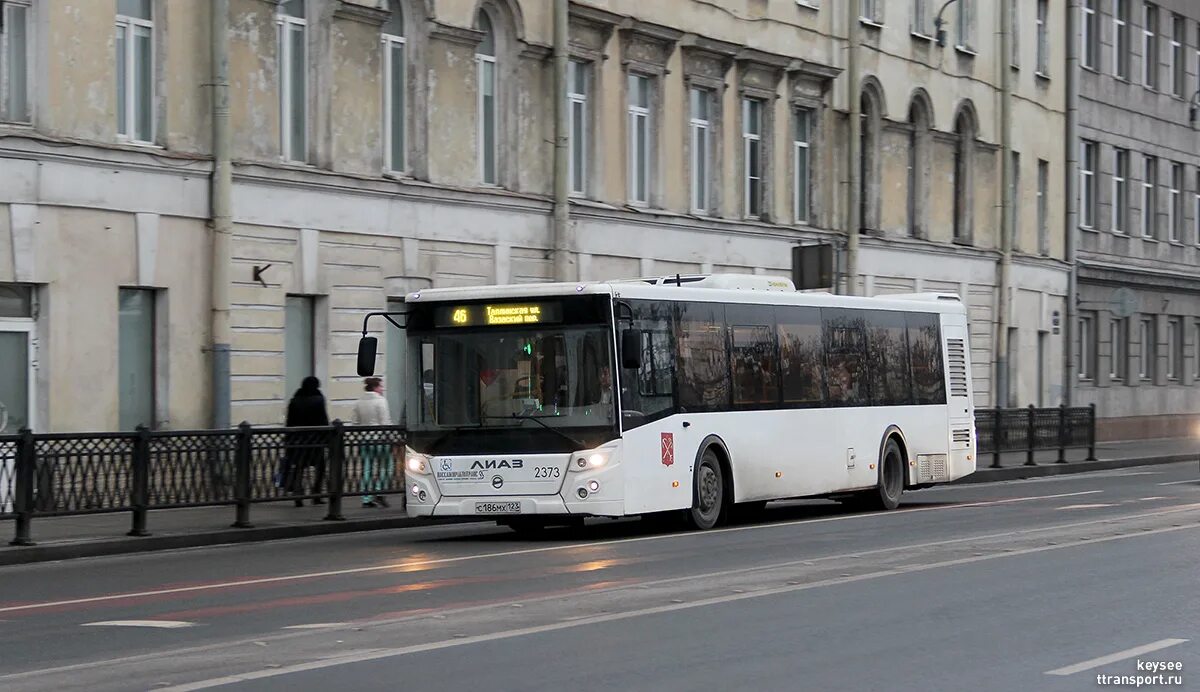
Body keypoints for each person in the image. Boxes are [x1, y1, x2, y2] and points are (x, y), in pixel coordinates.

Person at [284, 376, 330, 507]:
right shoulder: (318, 399)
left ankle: (298, 495)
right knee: (320, 468)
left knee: (299, 468)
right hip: (315, 441)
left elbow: (289, 422)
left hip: (298, 441)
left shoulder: (294, 400)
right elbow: (323, 420)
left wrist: (288, 441)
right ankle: (316, 495)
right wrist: (327, 438)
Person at [354, 377, 392, 508]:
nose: (382, 389)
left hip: (365, 440)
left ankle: (366, 497)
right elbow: (385, 422)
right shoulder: (381, 401)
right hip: (380, 439)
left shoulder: (359, 402)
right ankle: (379, 491)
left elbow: (355, 422)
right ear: (375, 387)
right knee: (386, 466)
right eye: (380, 386)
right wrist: (390, 437)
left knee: (367, 468)